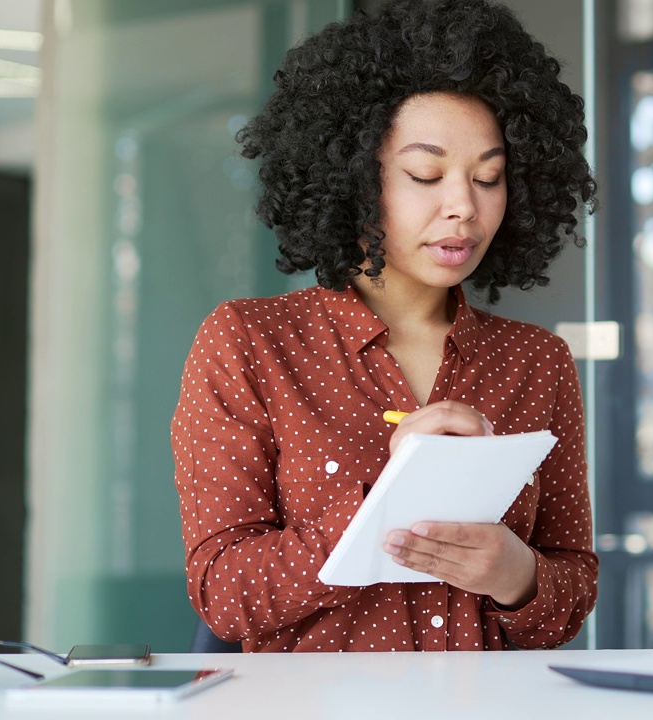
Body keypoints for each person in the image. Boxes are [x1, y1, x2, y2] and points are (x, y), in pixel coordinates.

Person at [171, 0, 598, 652]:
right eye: (425, 174)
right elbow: (226, 595)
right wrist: (382, 502)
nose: (463, 206)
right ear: (353, 178)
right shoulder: (250, 344)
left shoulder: (537, 362)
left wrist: (519, 576)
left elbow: (571, 585)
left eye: (489, 177)